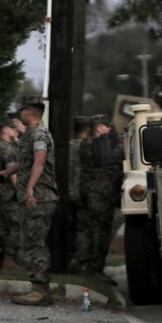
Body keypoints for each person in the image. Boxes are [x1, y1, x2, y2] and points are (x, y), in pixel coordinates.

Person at [0, 95, 58, 306]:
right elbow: (26, 162)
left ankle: (39, 290)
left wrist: (30, 187)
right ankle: (41, 288)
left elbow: (39, 161)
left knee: (34, 243)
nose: (20, 115)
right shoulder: (31, 134)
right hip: (35, 197)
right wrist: (7, 172)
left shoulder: (39, 133)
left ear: (29, 111)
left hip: (38, 198)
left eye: (21, 111)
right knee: (32, 241)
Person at [78, 114, 124, 286]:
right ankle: (95, 269)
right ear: (98, 128)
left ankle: (87, 265)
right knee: (100, 234)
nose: (109, 129)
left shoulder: (88, 143)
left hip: (95, 194)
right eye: (106, 126)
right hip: (100, 196)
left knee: (94, 232)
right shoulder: (96, 145)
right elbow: (117, 158)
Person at [0, 118, 22, 272]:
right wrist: (21, 192)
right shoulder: (5, 148)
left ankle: (1, 260)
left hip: (1, 192)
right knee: (16, 224)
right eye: (12, 128)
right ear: (5, 129)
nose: (15, 130)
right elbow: (12, 174)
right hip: (7, 192)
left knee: (5, 227)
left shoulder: (1, 145)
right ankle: (9, 258)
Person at [66, 115, 92, 274]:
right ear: (88, 129)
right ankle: (79, 261)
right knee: (84, 229)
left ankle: (69, 259)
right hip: (83, 193)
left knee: (71, 227)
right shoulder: (89, 146)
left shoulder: (68, 146)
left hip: (68, 192)